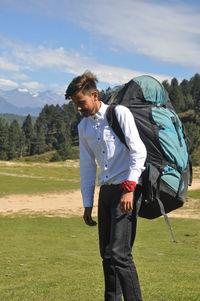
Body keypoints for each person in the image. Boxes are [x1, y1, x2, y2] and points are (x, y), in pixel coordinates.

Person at [65, 71, 147, 301]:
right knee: (107, 256)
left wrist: (130, 187)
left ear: (94, 95)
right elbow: (88, 168)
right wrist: (88, 204)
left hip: (127, 188)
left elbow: (139, 151)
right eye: (75, 104)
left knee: (121, 255)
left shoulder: (119, 113)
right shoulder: (84, 128)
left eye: (81, 103)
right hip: (107, 192)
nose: (78, 108)